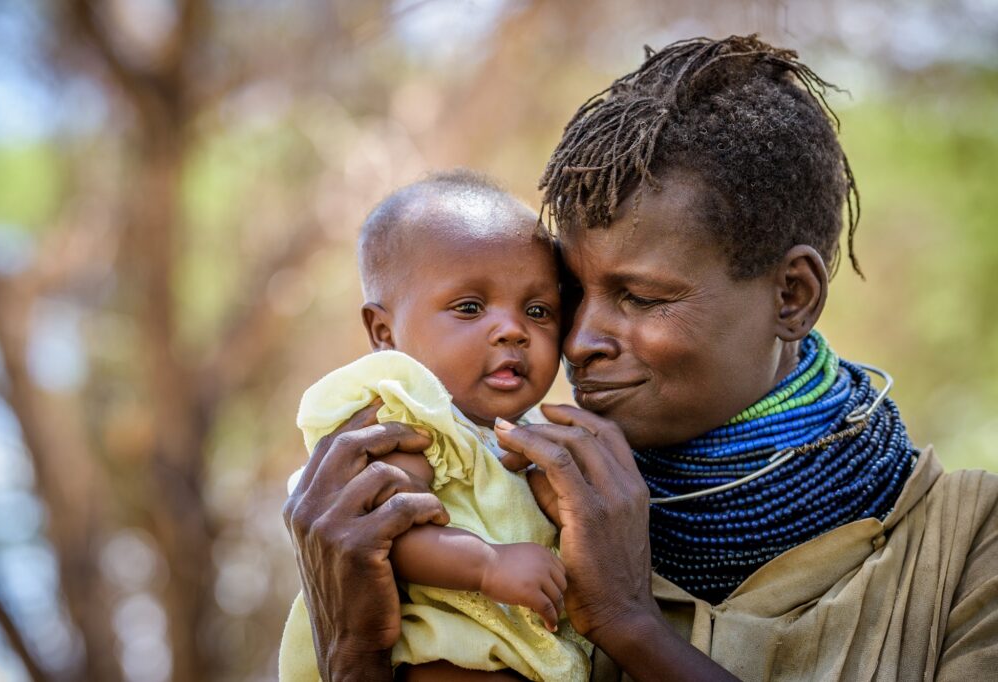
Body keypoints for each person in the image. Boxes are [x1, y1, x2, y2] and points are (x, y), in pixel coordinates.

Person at [282, 36, 998, 681]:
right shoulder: (500, 515)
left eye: (642, 297)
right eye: (569, 295)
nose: (577, 339)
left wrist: (631, 624)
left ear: (792, 295)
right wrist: (352, 653)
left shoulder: (965, 549)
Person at [279, 170, 592, 681]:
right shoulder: (407, 420)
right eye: (470, 307)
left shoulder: (519, 432)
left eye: (538, 311)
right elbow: (387, 534)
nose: (513, 329)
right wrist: (489, 564)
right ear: (384, 331)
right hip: (437, 652)